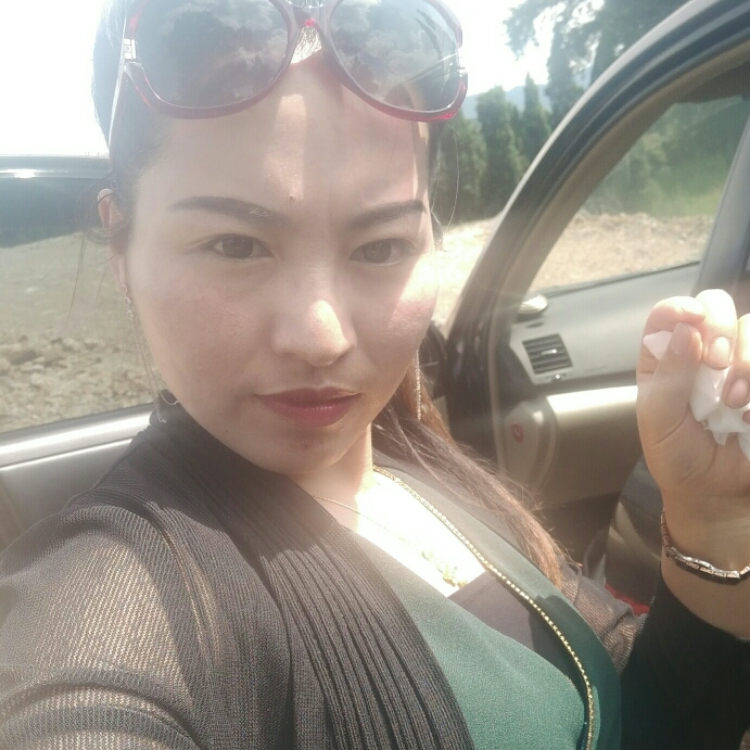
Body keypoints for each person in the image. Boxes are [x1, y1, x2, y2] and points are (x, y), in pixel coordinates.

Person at [0, 0, 748, 748]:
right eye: (235, 245)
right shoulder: (119, 589)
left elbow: (638, 719)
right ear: (120, 246)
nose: (321, 338)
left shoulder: (414, 462)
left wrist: (710, 519)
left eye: (382, 247)